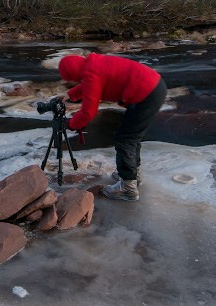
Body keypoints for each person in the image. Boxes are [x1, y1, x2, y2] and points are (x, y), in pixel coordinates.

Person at [57, 53, 167, 201]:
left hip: (146, 94)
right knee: (131, 136)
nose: (71, 80)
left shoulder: (91, 75)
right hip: (154, 87)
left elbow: (89, 111)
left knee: (125, 138)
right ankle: (133, 175)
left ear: (72, 73)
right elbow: (91, 85)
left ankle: (128, 187)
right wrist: (71, 95)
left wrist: (71, 124)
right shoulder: (93, 65)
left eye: (70, 78)